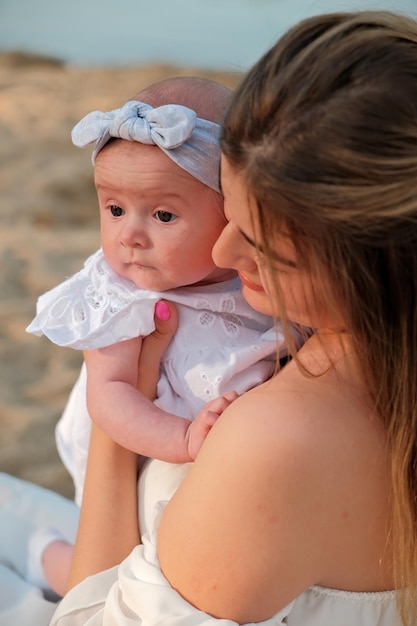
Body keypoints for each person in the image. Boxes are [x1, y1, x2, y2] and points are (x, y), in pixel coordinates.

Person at [49, 9, 417, 626]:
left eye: (266, 246)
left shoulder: (275, 440)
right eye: (231, 219)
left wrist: (115, 400)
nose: (222, 255)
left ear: (374, 263)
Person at [25, 76, 291, 597]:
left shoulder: (255, 282)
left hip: (215, 464)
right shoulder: (125, 294)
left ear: (230, 210)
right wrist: (181, 440)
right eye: (114, 209)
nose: (130, 235)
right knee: (116, 565)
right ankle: (47, 559)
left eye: (164, 215)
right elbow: (111, 396)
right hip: (145, 451)